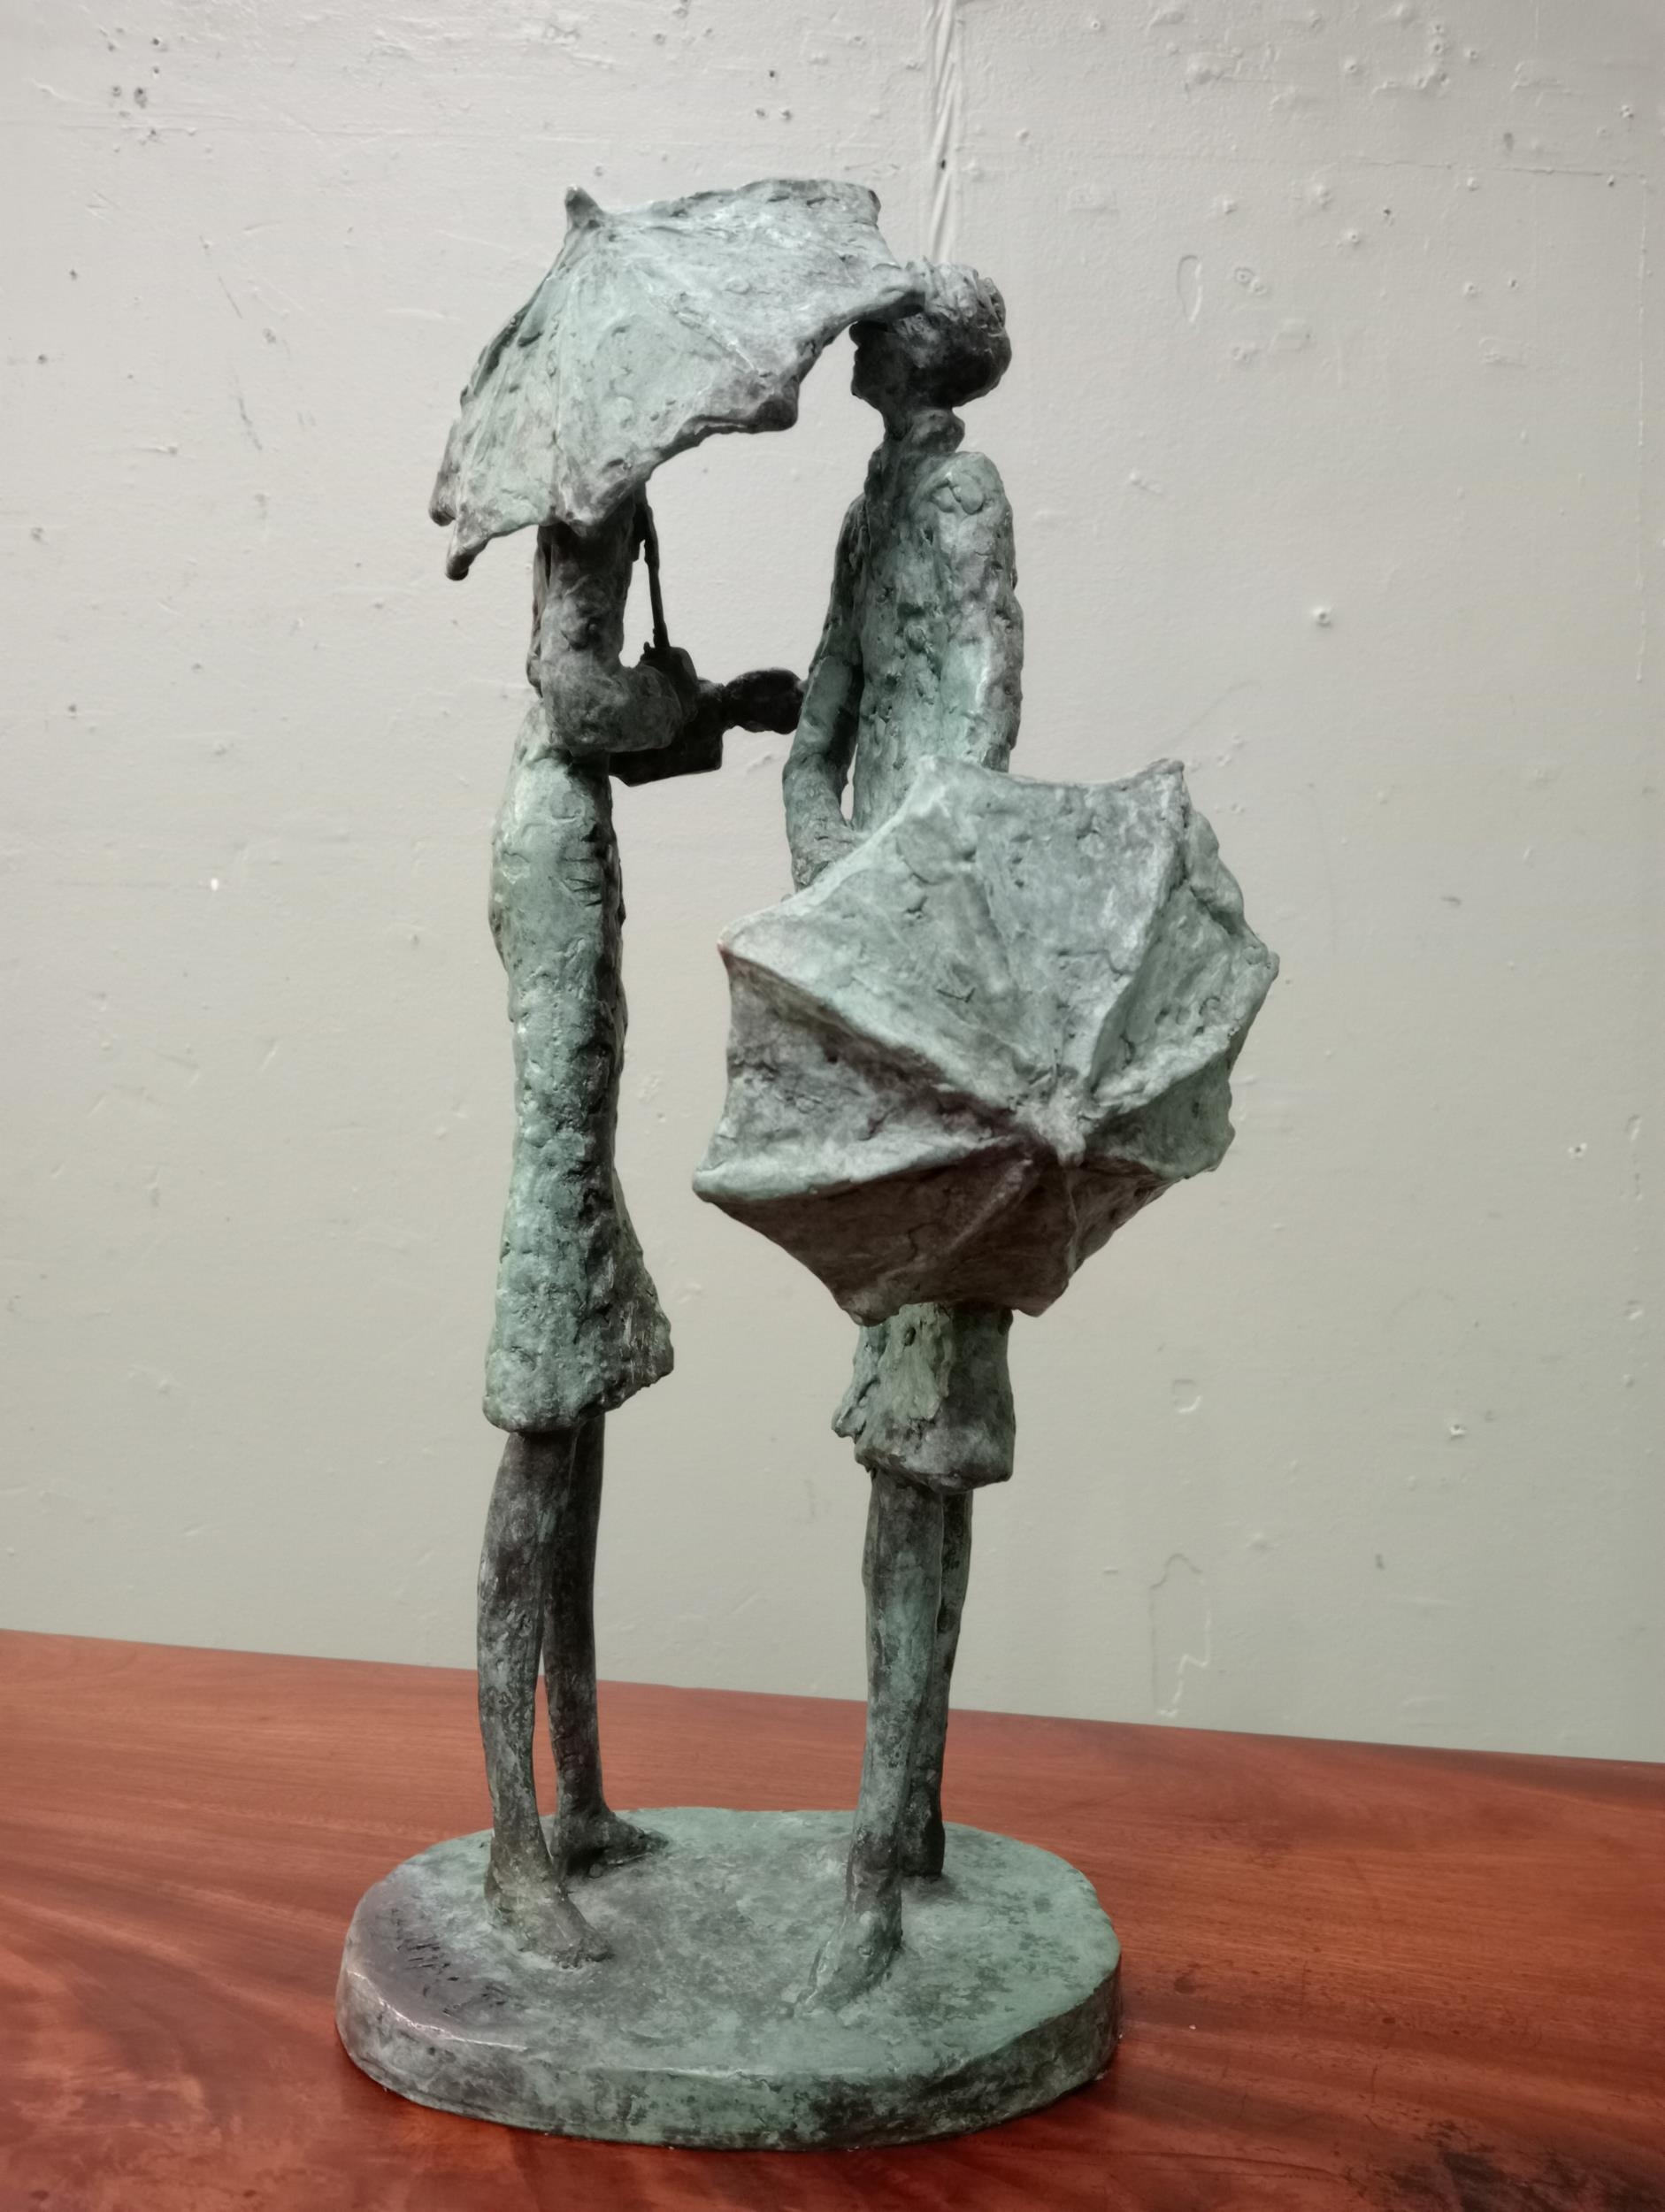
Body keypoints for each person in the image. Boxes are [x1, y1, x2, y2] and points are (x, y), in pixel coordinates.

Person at [480, 491, 798, 1960]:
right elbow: (574, 696)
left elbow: (611, 729)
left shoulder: (618, 495)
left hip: (573, 834)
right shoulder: (584, 503)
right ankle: (514, 1846)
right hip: (556, 851)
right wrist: (680, 696)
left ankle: (583, 1801)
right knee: (549, 1383)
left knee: (583, 1389)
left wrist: (715, 708)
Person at [782, 263, 1023, 2003]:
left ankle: (884, 1849)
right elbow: (822, 719)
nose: (855, 340)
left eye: (881, 323)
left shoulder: (960, 496)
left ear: (924, 353)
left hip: (943, 956)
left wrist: (895, 886)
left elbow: (977, 722)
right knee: (895, 1398)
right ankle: (897, 1825)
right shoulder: (872, 499)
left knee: (920, 1415)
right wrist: (819, 845)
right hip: (870, 949)